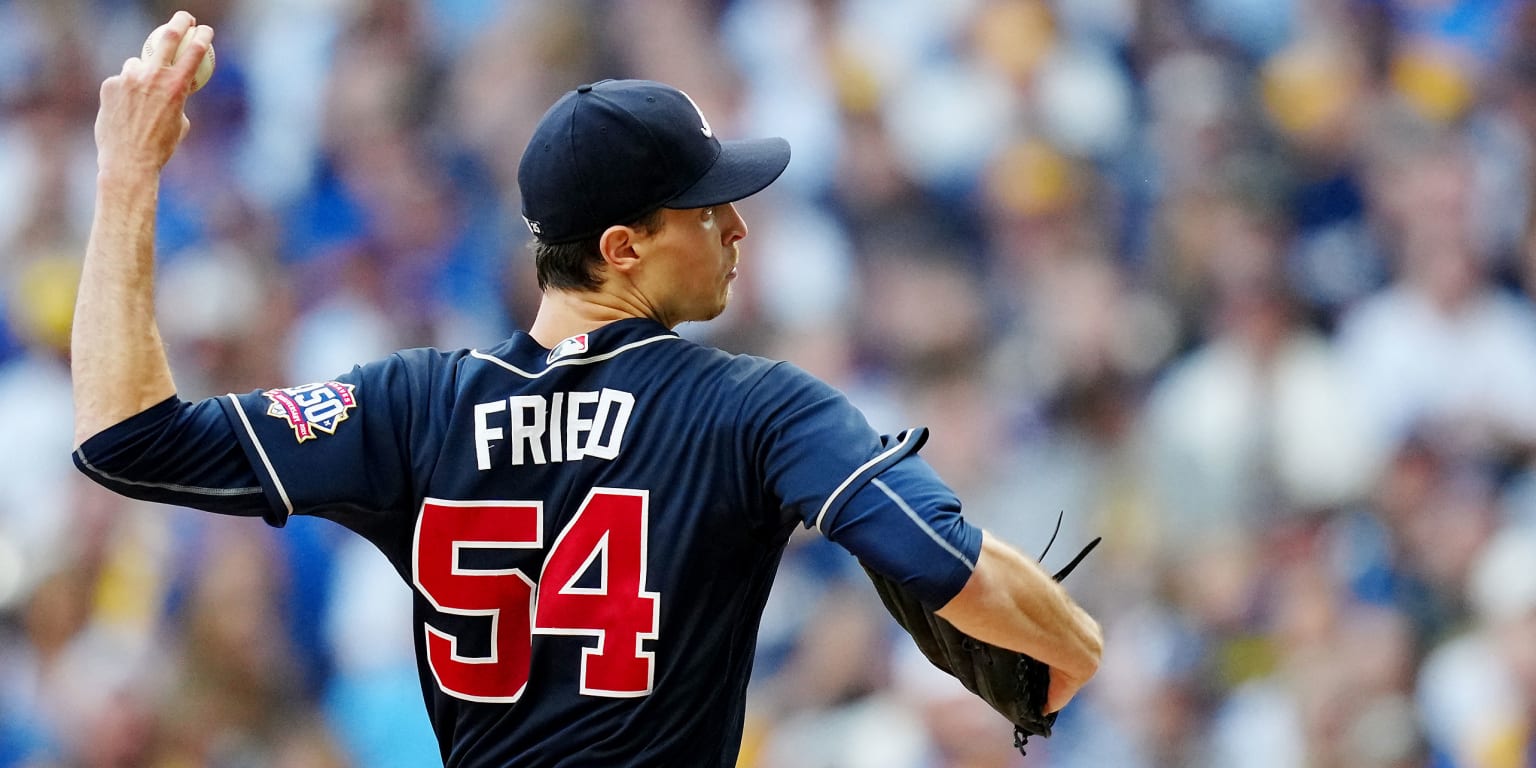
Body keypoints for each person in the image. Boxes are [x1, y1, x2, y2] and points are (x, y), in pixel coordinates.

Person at [72, 12, 1103, 767]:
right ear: (622, 248)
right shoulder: (754, 407)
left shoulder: (413, 407)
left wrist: (124, 176)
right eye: (705, 209)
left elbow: (126, 437)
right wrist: (1075, 647)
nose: (737, 226)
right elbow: (937, 557)